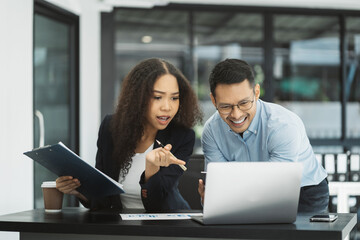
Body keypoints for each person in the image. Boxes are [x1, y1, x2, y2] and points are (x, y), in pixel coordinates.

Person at [56, 58, 202, 211]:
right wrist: (79, 192)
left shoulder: (182, 137)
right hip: (120, 227)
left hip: (166, 226)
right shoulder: (111, 127)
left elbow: (157, 203)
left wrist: (151, 169)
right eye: (157, 97)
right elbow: (103, 199)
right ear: (137, 97)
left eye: (174, 98)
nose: (167, 107)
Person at [198, 59, 329, 213]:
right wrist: (213, 198)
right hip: (246, 193)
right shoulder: (211, 131)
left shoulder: (283, 125)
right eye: (226, 106)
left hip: (304, 191)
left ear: (257, 92)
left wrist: (226, 196)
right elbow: (220, 184)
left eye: (244, 103)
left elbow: (276, 184)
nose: (236, 114)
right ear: (214, 100)